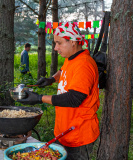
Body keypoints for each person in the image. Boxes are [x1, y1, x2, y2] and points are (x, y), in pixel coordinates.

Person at [18, 22, 100, 160]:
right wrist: (51, 79)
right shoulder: (72, 58)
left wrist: (39, 98)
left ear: (73, 42)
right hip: (64, 131)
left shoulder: (84, 64)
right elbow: (63, 71)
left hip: (78, 133)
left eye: (59, 43)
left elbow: (74, 98)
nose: (56, 48)